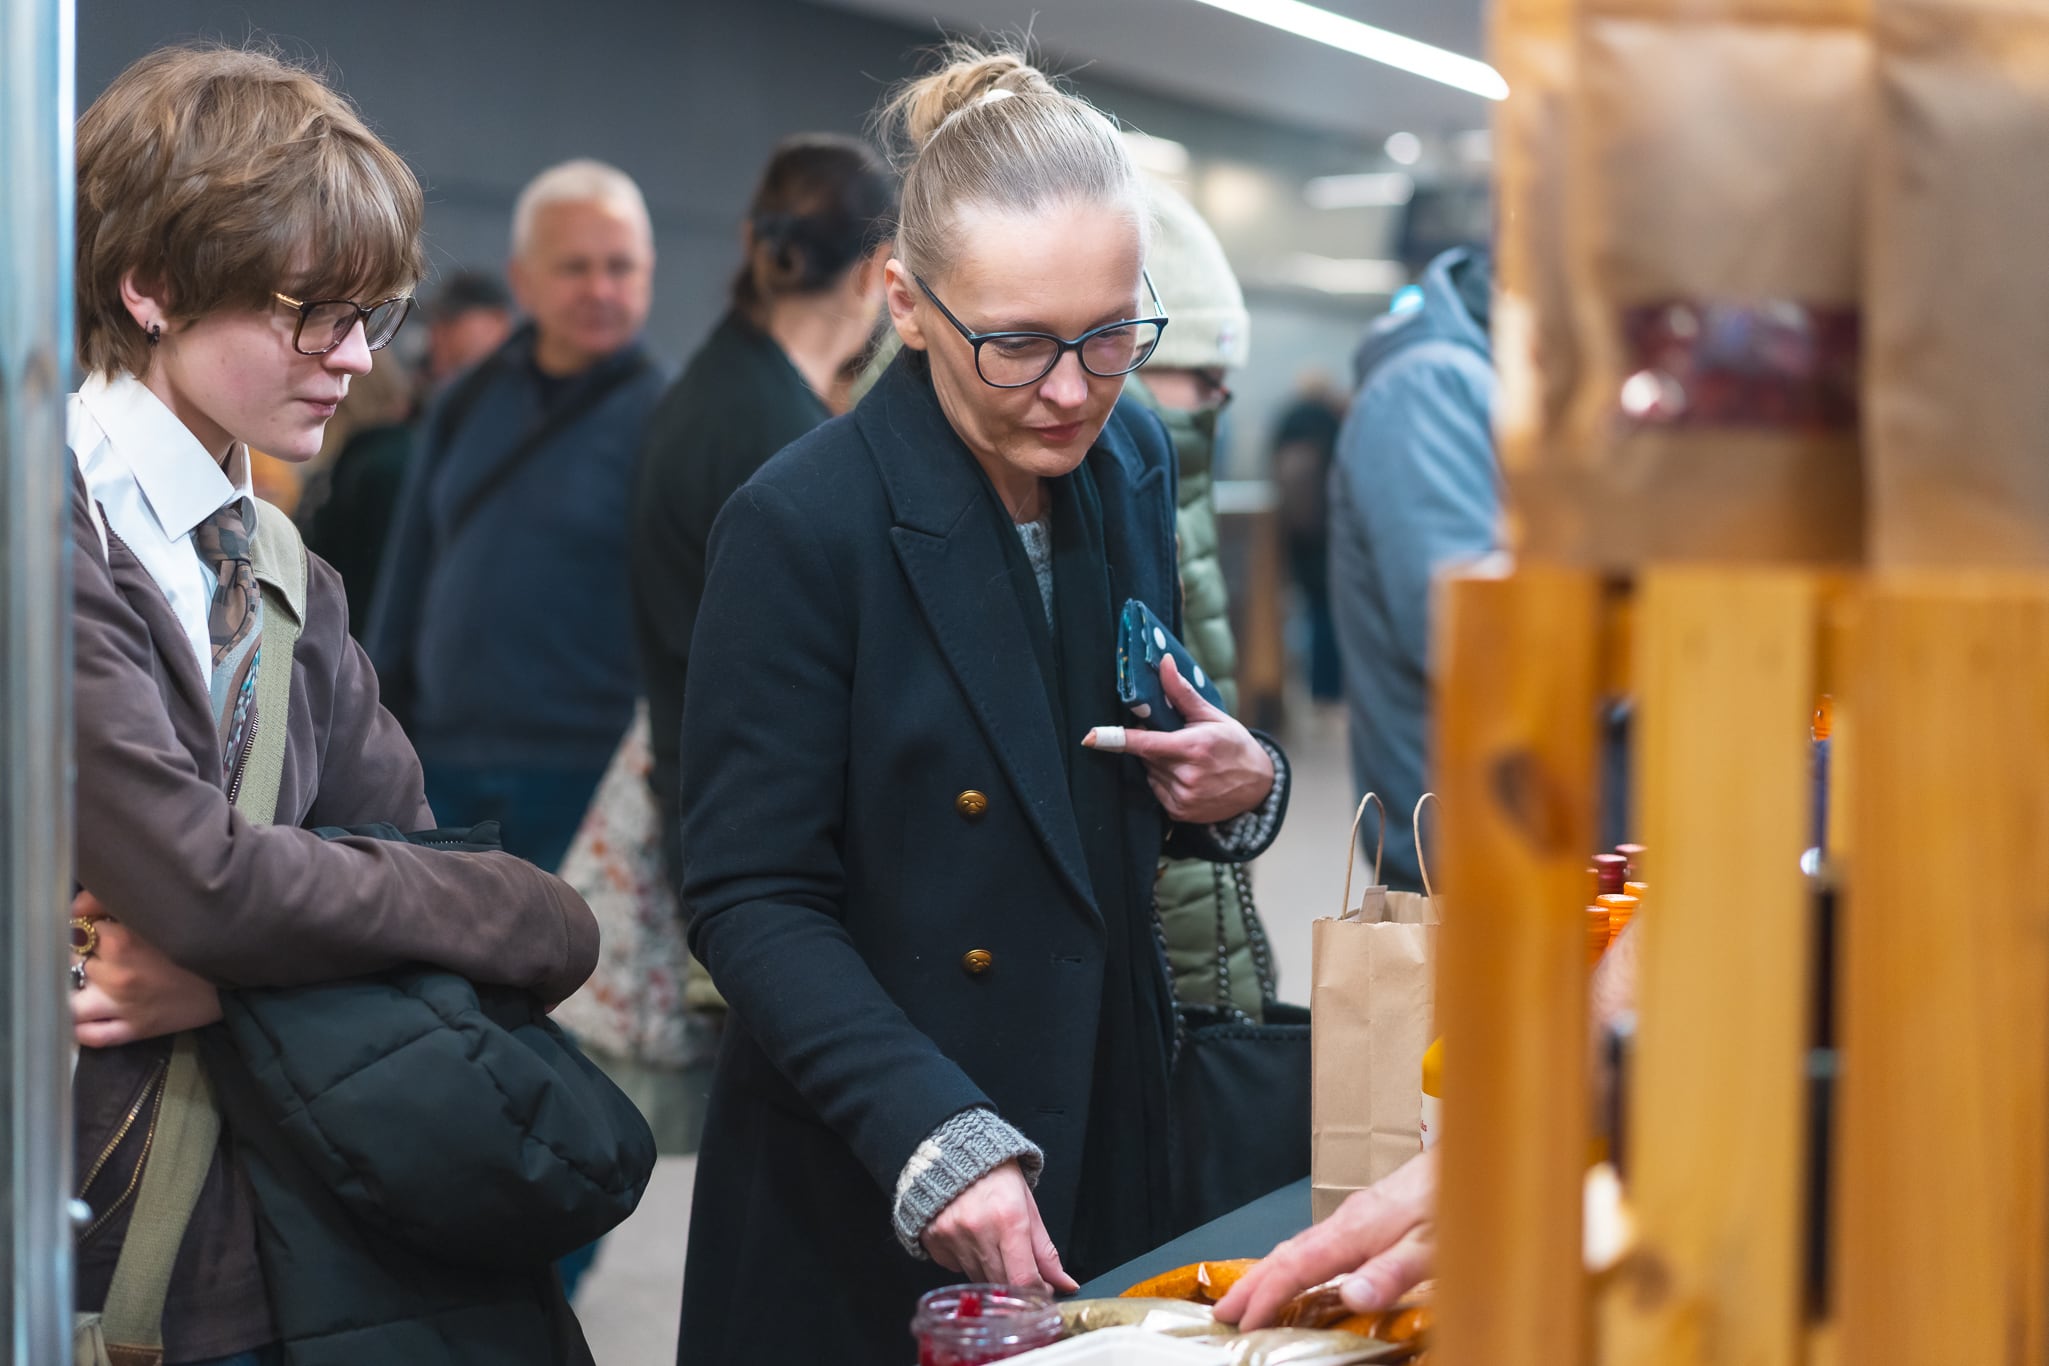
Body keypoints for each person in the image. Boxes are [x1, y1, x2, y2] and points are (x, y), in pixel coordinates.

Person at [674, 44, 1292, 1364]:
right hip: (877, 1150)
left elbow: (1104, 761)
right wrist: (930, 1132)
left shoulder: (1126, 454)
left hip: (1103, 1109)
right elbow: (749, 895)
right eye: (1015, 344)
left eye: (1111, 334)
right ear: (906, 305)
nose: (1070, 389)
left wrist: (1237, 783)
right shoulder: (802, 524)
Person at [67, 45, 601, 1365]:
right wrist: (311, 917)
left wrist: (233, 983)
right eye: (313, 312)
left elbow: (534, 922)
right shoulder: (52, 533)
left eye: (376, 312)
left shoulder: (280, 564)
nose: (358, 357)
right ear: (152, 284)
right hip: (100, 1257)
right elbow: (206, 886)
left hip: (292, 1242)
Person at [365, 160, 665, 875]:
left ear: (649, 273)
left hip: (588, 770)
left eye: (620, 267)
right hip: (441, 758)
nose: (600, 289)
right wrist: (373, 725)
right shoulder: (466, 400)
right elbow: (410, 568)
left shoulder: (671, 419)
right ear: (523, 279)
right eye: (575, 267)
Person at [631, 133, 894, 917]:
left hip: (721, 816)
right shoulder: (781, 442)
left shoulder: (718, 388)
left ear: (753, 241)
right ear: (876, 273)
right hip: (768, 851)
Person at [1117, 178, 1270, 1020]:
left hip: (1194, 873)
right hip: (1161, 916)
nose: (1217, 402)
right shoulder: (1130, 478)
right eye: (1205, 375)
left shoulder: (1173, 477)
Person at [1328, 245, 1499, 892]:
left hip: (1508, 829)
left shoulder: (1477, 377)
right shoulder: (1431, 387)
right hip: (1472, 844)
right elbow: (1460, 632)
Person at [1271, 373, 1348, 703]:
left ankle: (1321, 691)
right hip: (1323, 537)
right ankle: (1326, 692)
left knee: (1315, 614)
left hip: (1302, 537)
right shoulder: (1319, 424)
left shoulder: (1293, 423)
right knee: (1324, 615)